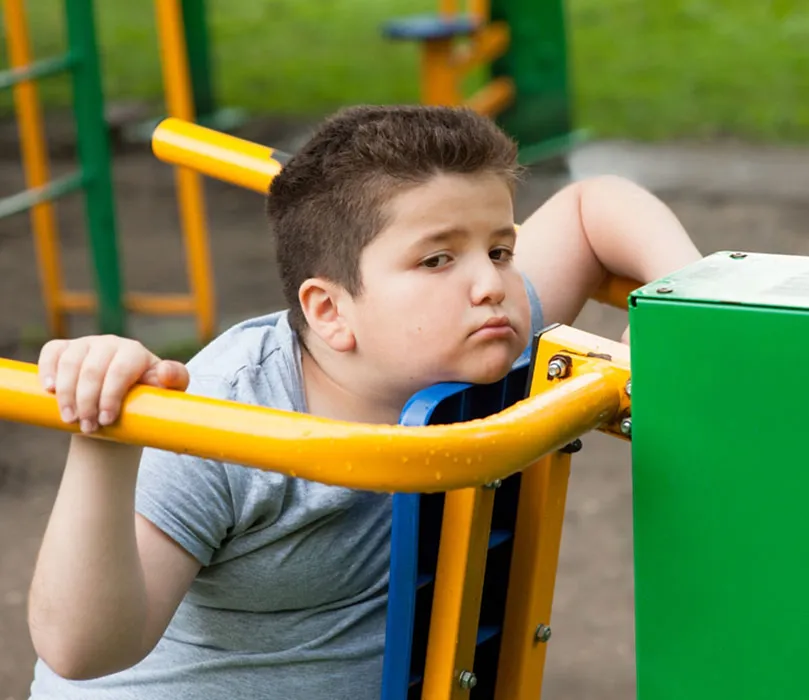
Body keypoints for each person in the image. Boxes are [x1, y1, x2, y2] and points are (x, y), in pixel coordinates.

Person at [25, 105, 702, 699]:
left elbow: (593, 207)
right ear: (329, 311)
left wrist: (685, 306)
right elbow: (82, 650)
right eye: (436, 260)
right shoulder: (221, 415)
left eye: (500, 249)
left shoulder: (470, 333)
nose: (490, 283)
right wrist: (106, 437)